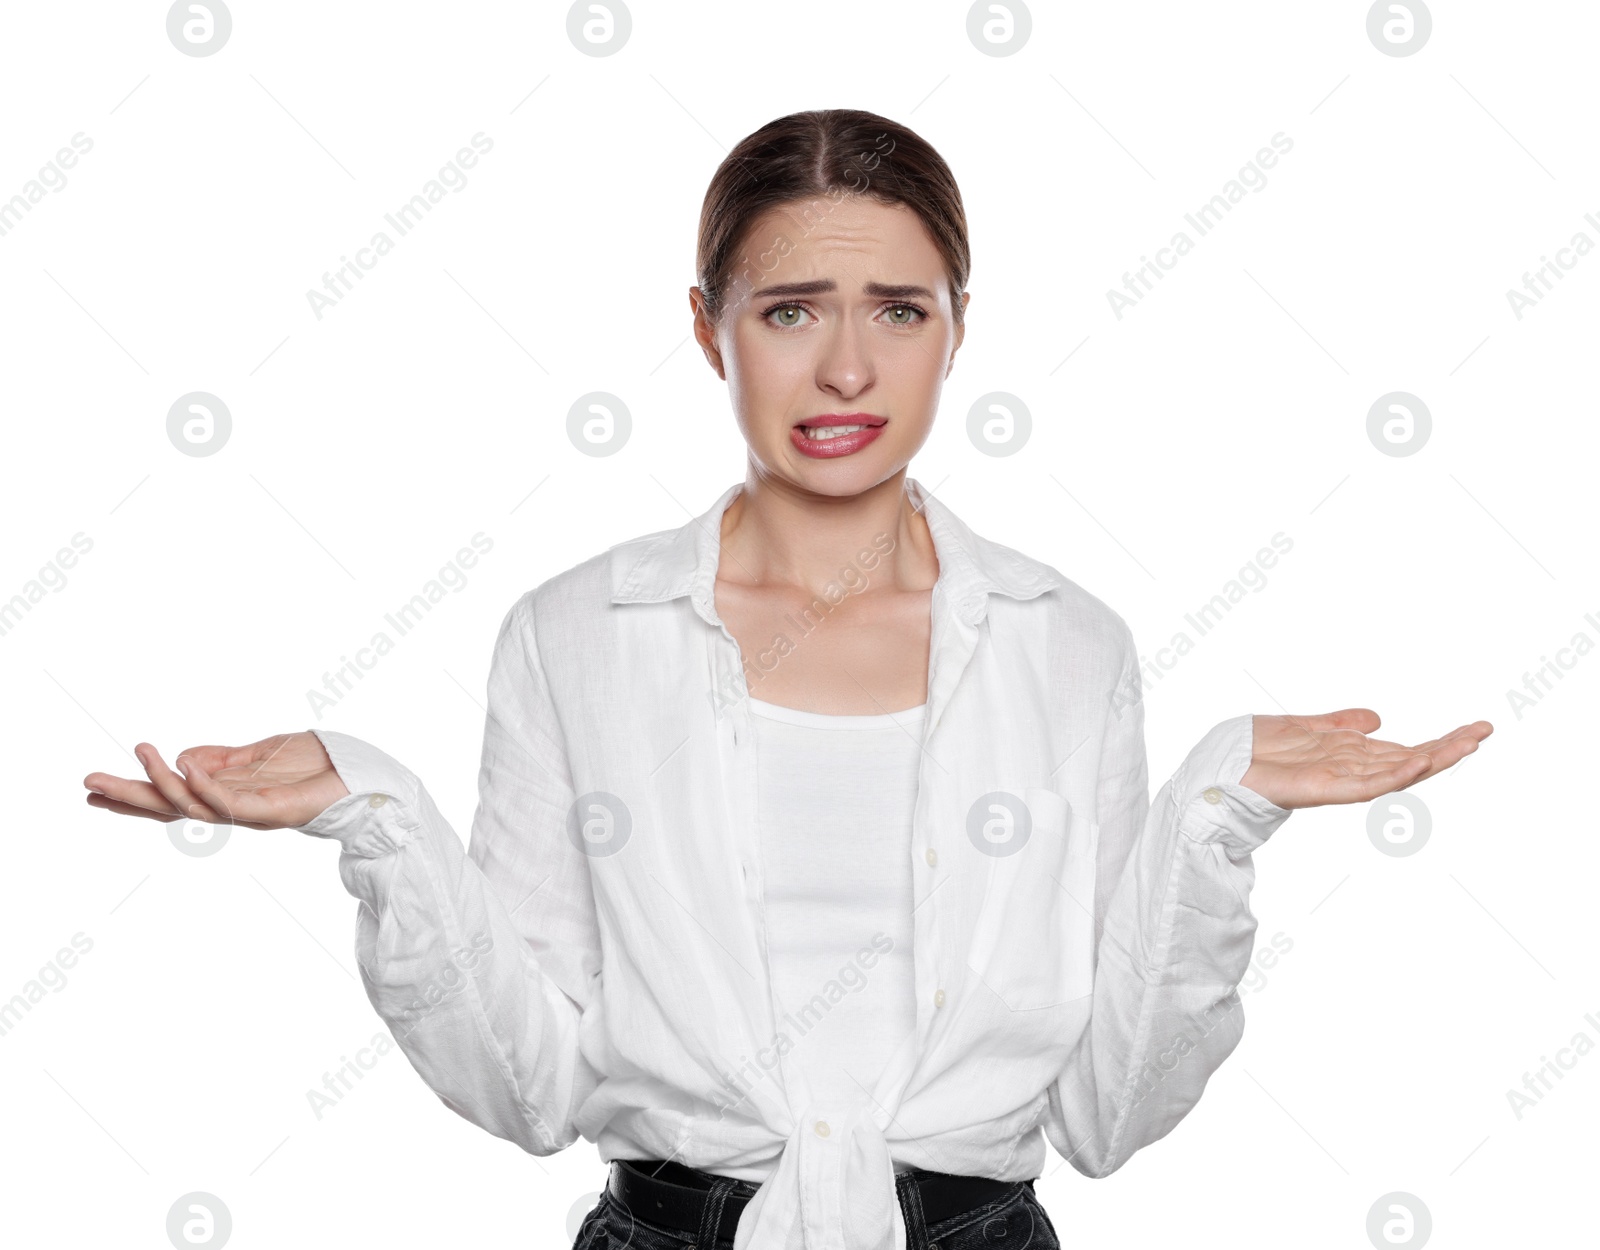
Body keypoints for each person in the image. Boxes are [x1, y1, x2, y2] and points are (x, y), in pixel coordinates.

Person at [83, 109, 1492, 1250]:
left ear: (958, 328)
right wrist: (373, 812)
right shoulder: (575, 634)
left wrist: (1217, 809)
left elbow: (1109, 1114)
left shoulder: (1071, 646)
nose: (843, 368)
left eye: (897, 310)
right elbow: (532, 1087)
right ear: (709, 326)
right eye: (790, 311)